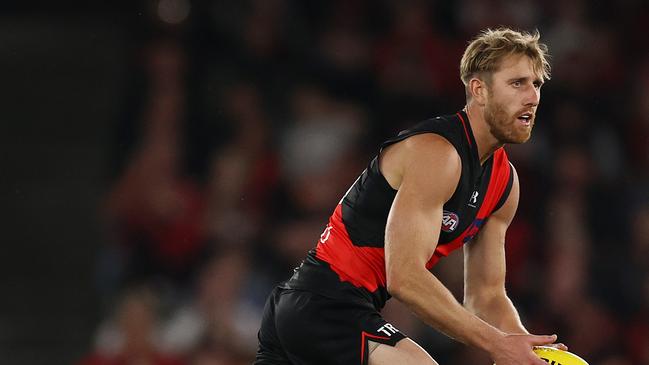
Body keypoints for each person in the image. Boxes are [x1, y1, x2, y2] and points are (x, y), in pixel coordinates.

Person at [255, 27, 567, 365]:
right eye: (517, 83)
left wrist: (531, 353)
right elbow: (404, 277)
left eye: (536, 84)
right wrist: (496, 343)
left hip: (324, 313)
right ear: (479, 90)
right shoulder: (438, 153)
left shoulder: (505, 184)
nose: (532, 97)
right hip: (322, 304)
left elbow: (486, 296)